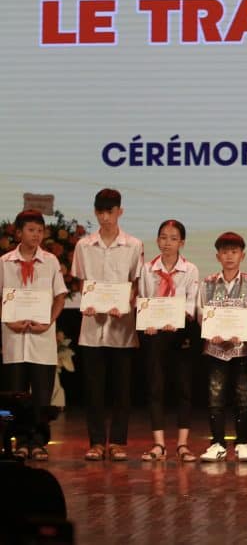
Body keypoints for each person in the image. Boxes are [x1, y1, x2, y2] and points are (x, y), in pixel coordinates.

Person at [71, 188, 144, 461]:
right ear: (95, 212)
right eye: (100, 212)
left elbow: (136, 283)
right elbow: (81, 280)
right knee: (94, 390)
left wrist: (125, 304)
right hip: (92, 327)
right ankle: (96, 442)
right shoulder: (84, 245)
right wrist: (88, 301)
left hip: (121, 327)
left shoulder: (133, 245)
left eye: (110, 212)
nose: (105, 217)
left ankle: (118, 442)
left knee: (121, 389)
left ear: (119, 212)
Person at [1, 210, 68, 460]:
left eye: (40, 230)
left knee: (41, 395)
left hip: (41, 339)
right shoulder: (5, 262)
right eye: (31, 230)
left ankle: (39, 441)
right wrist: (9, 319)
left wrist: (49, 321)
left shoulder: (50, 261)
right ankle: (19, 442)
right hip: (14, 339)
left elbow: (60, 296)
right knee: (15, 396)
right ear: (19, 232)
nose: (36, 235)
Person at [137, 220, 200, 463]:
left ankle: (182, 444)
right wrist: (147, 321)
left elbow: (192, 302)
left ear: (181, 242)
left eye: (173, 238)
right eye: (163, 237)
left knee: (184, 388)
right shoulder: (147, 269)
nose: (167, 243)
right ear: (157, 240)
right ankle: (159, 444)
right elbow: (144, 299)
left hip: (181, 332)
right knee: (155, 387)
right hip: (154, 335)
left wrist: (177, 318)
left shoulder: (190, 270)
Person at [198, 232, 247, 463]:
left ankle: (243, 443)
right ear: (218, 256)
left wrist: (243, 331)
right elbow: (201, 312)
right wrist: (210, 331)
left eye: (234, 252)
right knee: (215, 397)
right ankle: (217, 443)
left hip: (242, 349)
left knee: (243, 397)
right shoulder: (207, 283)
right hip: (215, 350)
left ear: (242, 255)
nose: (229, 256)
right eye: (225, 252)